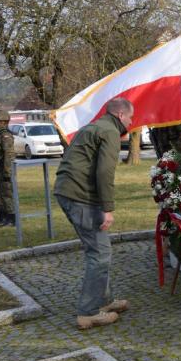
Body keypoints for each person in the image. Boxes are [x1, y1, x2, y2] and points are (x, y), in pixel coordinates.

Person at [54, 97, 133, 329]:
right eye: (131, 117)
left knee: (99, 248)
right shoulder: (109, 132)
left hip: (69, 191)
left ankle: (105, 300)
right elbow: (105, 172)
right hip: (80, 197)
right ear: (120, 115)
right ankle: (88, 312)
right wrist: (107, 208)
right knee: (99, 253)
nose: (132, 121)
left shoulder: (95, 126)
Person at [0, 110, 16, 227]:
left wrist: (7, 172)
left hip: (5, 170)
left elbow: (8, 155)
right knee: (1, 194)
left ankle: (12, 219)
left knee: (7, 194)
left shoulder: (5, 136)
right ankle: (6, 217)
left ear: (3, 122)